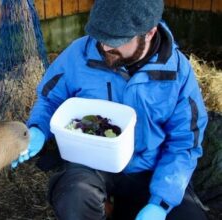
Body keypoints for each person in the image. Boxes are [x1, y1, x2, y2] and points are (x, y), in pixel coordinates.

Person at [12, 0, 209, 219]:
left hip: (150, 169)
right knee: (75, 196)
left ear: (150, 33)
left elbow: (184, 143)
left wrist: (160, 203)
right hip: (92, 164)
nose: (105, 46)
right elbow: (50, 100)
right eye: (101, 37)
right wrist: (38, 128)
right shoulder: (78, 54)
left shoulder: (178, 73)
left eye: (117, 41)